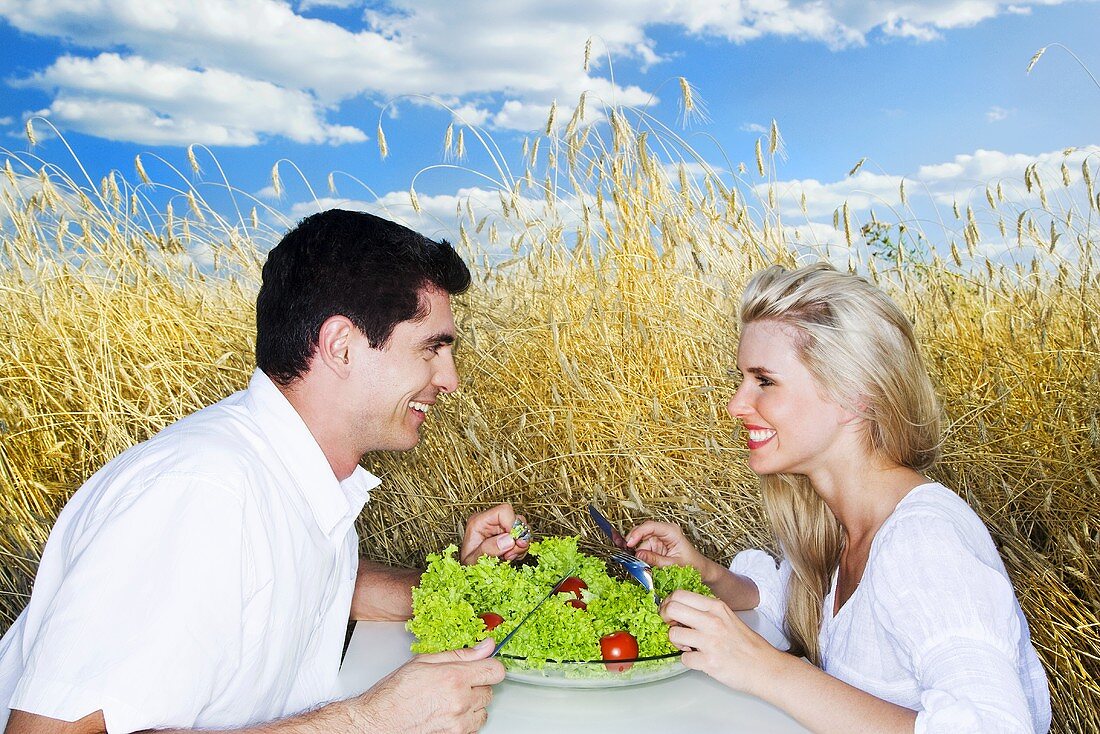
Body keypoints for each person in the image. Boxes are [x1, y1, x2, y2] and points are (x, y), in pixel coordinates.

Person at [0, 209, 529, 734]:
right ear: (341, 345)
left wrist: (453, 588)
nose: (450, 379)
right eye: (431, 348)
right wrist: (369, 723)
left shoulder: (289, 470)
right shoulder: (203, 495)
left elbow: (298, 585)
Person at [627, 263, 1051, 733]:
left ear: (855, 392)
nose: (736, 404)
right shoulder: (840, 523)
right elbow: (788, 603)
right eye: (741, 379)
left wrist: (766, 668)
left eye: (764, 381)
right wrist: (705, 573)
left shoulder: (924, 543)